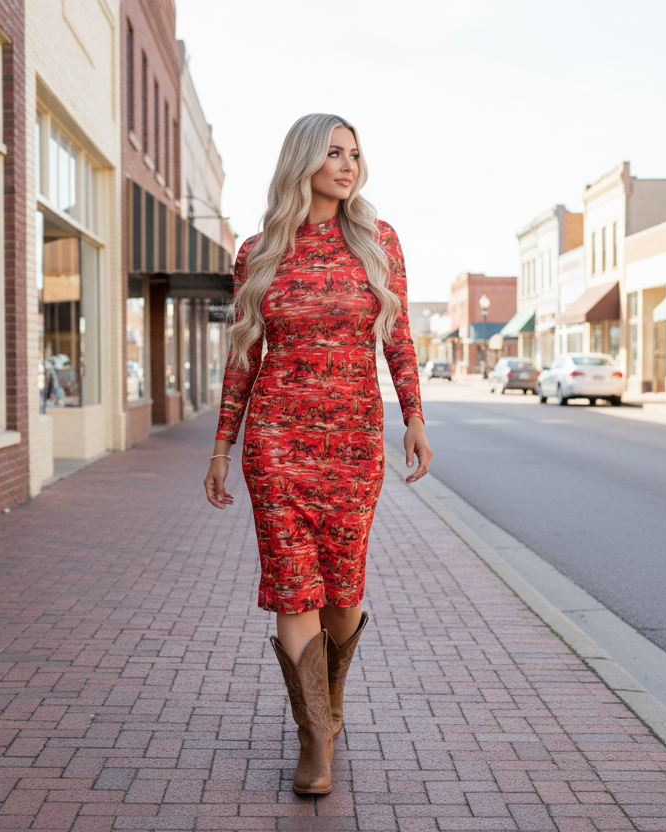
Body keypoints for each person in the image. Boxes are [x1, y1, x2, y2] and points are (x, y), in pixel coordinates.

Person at [203, 114, 432, 795]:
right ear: (303, 159)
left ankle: (330, 702)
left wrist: (414, 417)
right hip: (276, 443)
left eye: (355, 154)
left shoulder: (378, 242)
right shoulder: (258, 251)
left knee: (343, 588)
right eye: (333, 152)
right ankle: (314, 741)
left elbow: (399, 340)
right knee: (292, 584)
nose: (347, 164)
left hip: (357, 441)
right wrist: (223, 445)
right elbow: (243, 356)